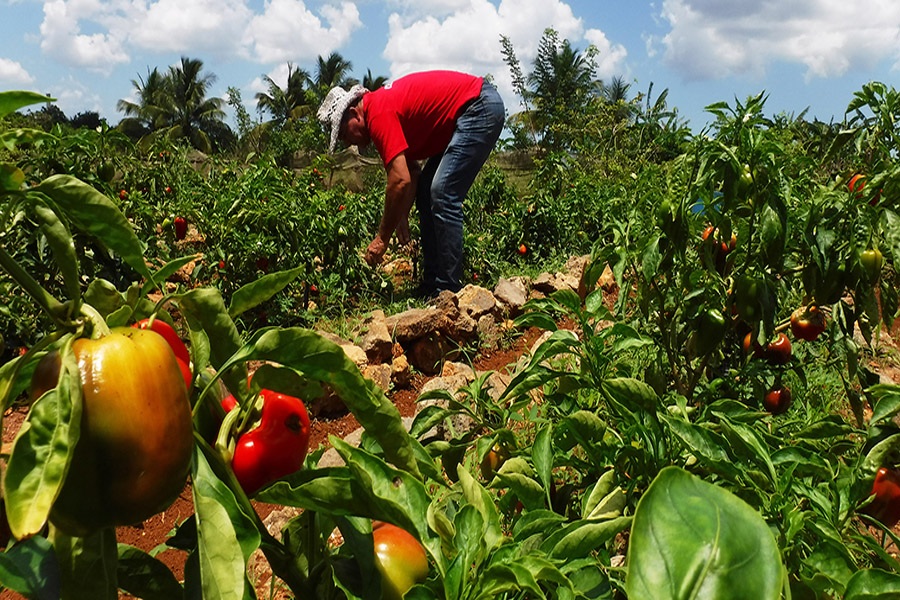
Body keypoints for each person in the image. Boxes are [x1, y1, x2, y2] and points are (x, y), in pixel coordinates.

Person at [317, 70, 505, 297]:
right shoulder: (380, 108)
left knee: (442, 192)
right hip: (470, 109)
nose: (347, 142)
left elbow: (399, 180)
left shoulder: (378, 112)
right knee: (427, 190)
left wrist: (381, 239)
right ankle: (433, 284)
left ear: (354, 113)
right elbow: (412, 172)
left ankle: (449, 289)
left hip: (477, 106)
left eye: (344, 134)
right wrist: (402, 214)